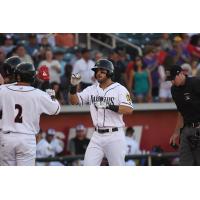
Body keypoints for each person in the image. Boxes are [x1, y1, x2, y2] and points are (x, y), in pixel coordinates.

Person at [69, 59, 133, 166]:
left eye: (102, 71)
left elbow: (129, 109)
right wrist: (73, 87)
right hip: (97, 135)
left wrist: (108, 105)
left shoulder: (120, 89)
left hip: (114, 135)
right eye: (97, 71)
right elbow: (74, 101)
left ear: (110, 73)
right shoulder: (91, 89)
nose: (98, 73)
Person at [0, 62, 60, 166]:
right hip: (26, 138)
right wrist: (51, 95)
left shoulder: (3, 90)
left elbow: (13, 86)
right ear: (32, 77)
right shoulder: (39, 94)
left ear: (17, 76)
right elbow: (56, 110)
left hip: (6, 137)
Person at [168, 65, 200, 165]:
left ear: (181, 74)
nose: (172, 82)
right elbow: (181, 112)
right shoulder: (174, 90)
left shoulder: (195, 82)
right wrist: (176, 132)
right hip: (186, 129)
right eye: (170, 79)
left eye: (173, 78)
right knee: (185, 163)